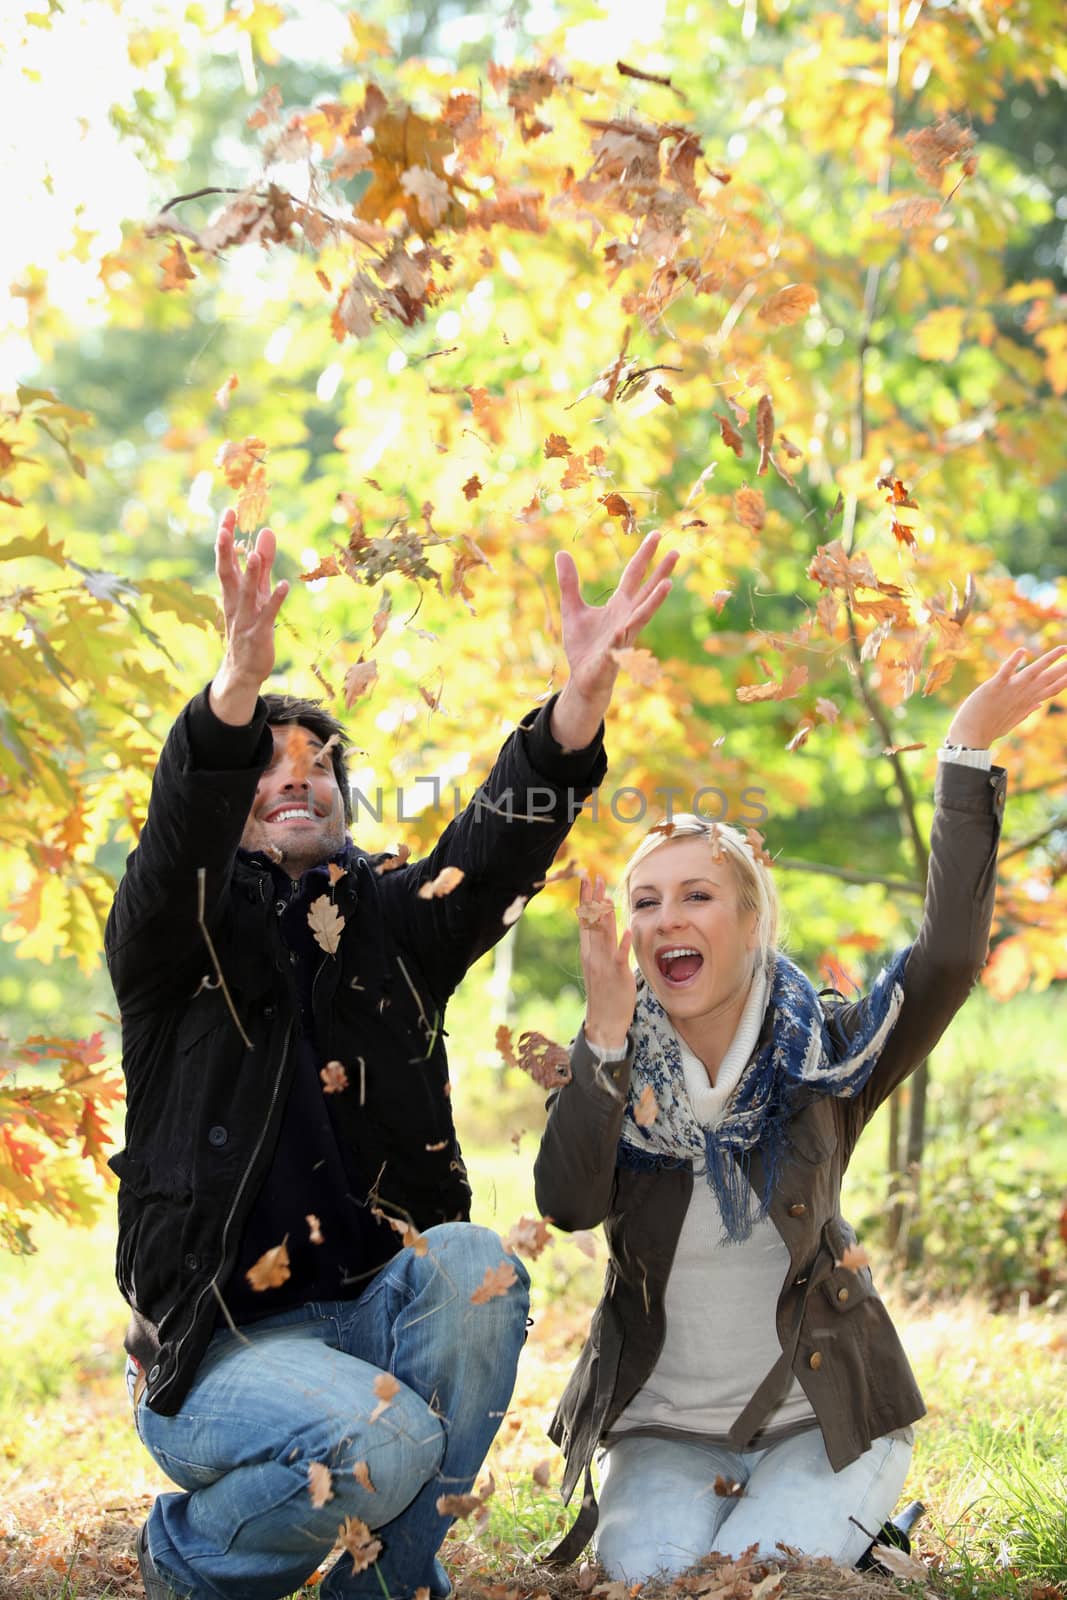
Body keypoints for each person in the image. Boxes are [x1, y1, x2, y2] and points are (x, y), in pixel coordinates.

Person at [105, 508, 676, 1600]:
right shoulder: (174, 944)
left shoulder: (392, 922)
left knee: (477, 1268)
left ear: (341, 796)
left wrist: (578, 706)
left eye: (315, 767)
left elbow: (495, 845)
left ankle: (387, 1586)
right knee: (388, 1442)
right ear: (232, 805)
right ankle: (187, 1557)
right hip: (220, 1347)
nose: (293, 780)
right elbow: (177, 835)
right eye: (263, 770)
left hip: (371, 1311)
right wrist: (234, 689)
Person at [534, 645, 1067, 1581]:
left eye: (697, 896)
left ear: (749, 922)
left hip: (819, 1418)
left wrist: (966, 750)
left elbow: (942, 961)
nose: (666, 921)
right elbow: (569, 1205)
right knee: (652, 1582)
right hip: (661, 1428)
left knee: (763, 1575)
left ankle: (858, 1524)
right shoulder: (607, 1063)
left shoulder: (830, 1055)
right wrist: (607, 1037)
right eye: (646, 902)